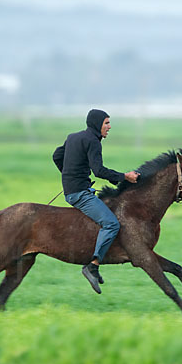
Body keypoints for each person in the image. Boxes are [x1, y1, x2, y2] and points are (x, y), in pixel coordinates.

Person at [52, 109, 140, 294]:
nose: (109, 127)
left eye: (109, 123)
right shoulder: (92, 141)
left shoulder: (73, 137)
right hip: (79, 194)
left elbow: (57, 156)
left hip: (76, 189)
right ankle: (92, 265)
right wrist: (125, 177)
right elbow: (99, 171)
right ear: (96, 124)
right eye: (106, 123)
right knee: (111, 224)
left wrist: (69, 176)